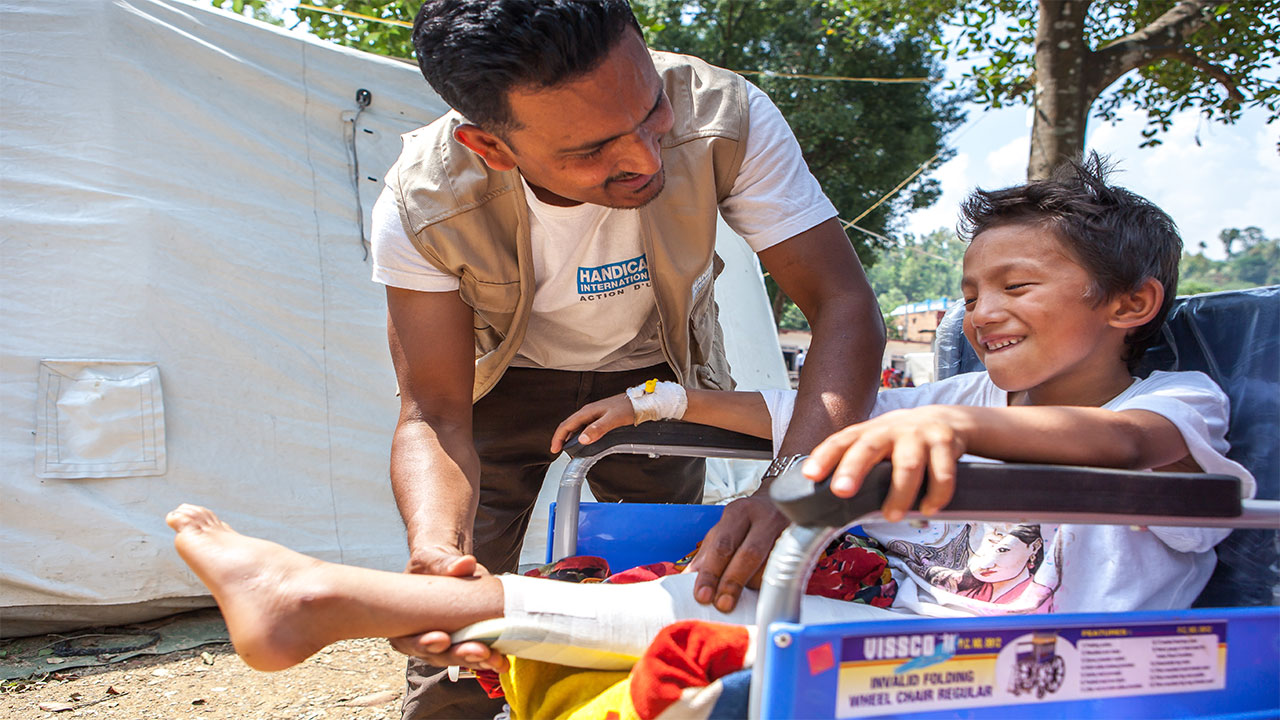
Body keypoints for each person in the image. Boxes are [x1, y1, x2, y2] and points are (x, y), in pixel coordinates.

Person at [167, 156, 1253, 688]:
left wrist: (969, 438)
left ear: (1128, 305)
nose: (980, 313)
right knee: (681, 590)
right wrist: (659, 400)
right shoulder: (962, 399)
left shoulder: (1170, 402)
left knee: (713, 628)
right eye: (970, 293)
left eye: (1016, 286)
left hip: (1058, 662)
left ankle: (347, 605)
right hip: (894, 628)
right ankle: (322, 599)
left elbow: (1123, 451)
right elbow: (800, 405)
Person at [377, 1, 883, 715]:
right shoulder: (422, 199)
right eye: (589, 151)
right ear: (490, 147)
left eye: (651, 111)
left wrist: (790, 487)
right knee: (460, 618)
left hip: (656, 369)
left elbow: (843, 305)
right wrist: (435, 550)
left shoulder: (725, 114)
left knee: (665, 588)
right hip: (500, 383)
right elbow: (432, 411)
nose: (645, 159)